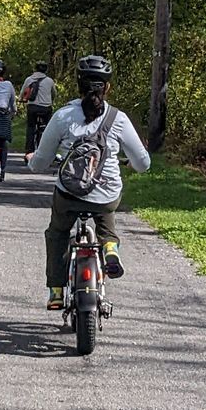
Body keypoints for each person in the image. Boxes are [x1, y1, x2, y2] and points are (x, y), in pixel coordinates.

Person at [29, 54, 150, 308]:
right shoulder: (119, 119)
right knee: (106, 220)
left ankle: (56, 291)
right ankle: (110, 250)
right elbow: (142, 164)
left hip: (69, 194)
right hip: (106, 195)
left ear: (78, 85)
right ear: (108, 87)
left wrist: (31, 159)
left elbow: (40, 163)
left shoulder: (63, 116)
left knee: (58, 233)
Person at [18, 60, 56, 153]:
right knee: (47, 129)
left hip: (32, 108)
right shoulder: (50, 81)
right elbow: (54, 93)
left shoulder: (29, 79)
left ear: (35, 69)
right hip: (46, 108)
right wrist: (51, 100)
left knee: (31, 128)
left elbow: (22, 93)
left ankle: (29, 150)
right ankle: (45, 149)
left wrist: (20, 99)